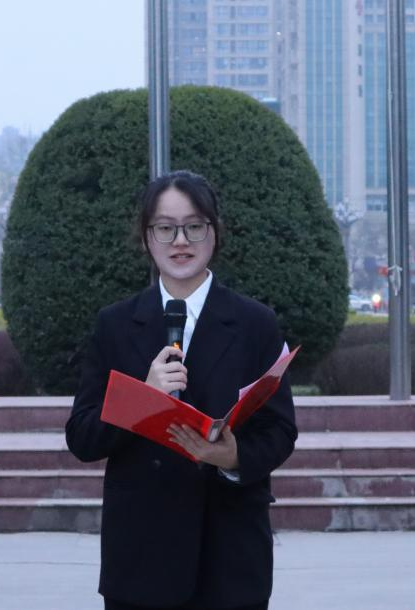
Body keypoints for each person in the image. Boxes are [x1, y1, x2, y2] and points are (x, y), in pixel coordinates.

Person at [65, 170, 297, 610]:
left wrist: (232, 457)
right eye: (165, 228)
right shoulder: (115, 325)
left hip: (230, 556)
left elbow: (281, 431)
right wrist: (142, 398)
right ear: (146, 237)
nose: (180, 241)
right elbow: (82, 437)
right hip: (141, 558)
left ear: (214, 232)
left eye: (194, 226)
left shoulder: (255, 324)